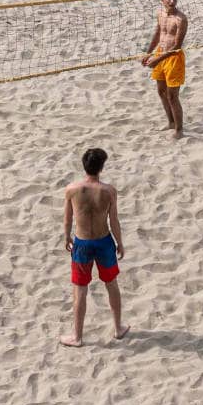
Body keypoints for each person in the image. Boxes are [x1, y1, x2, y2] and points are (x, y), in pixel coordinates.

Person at [62, 146, 128, 347]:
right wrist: (120, 242)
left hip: (82, 243)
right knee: (111, 285)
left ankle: (77, 336)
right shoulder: (108, 191)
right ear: (101, 168)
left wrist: (66, 237)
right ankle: (118, 328)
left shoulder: (71, 190)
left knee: (80, 289)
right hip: (104, 242)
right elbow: (114, 220)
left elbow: (67, 219)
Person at [141, 0, 188, 139]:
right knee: (161, 92)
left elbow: (177, 46)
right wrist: (149, 53)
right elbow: (157, 34)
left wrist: (157, 60)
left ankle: (179, 130)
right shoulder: (160, 14)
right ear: (163, 0)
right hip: (160, 53)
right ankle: (171, 122)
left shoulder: (181, 19)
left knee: (172, 96)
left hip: (173, 58)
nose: (172, 1)